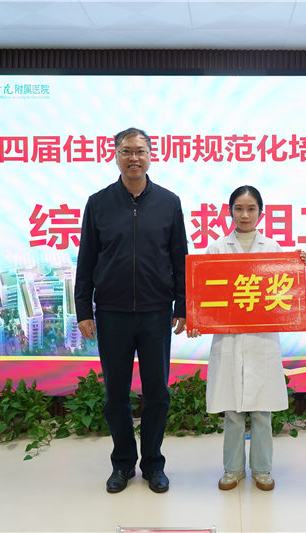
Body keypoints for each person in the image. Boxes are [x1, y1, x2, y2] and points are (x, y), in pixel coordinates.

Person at [74, 127, 188, 494]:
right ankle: (122, 463)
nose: (133, 157)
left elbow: (180, 258)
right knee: (115, 396)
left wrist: (183, 305)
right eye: (126, 151)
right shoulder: (98, 203)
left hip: (156, 312)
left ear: (151, 155)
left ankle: (153, 464)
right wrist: (83, 309)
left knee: (157, 394)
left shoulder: (169, 202)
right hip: (112, 313)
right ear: (116, 155)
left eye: (140, 150)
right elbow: (86, 259)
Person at [187, 185, 306, 492]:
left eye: (251, 209)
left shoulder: (273, 247)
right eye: (239, 209)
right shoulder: (217, 248)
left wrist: (297, 265)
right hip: (229, 341)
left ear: (260, 213)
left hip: (261, 341)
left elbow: (285, 292)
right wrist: (196, 318)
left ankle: (262, 470)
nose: (245, 215)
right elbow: (206, 293)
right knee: (233, 411)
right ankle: (233, 469)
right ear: (230, 212)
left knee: (262, 411)